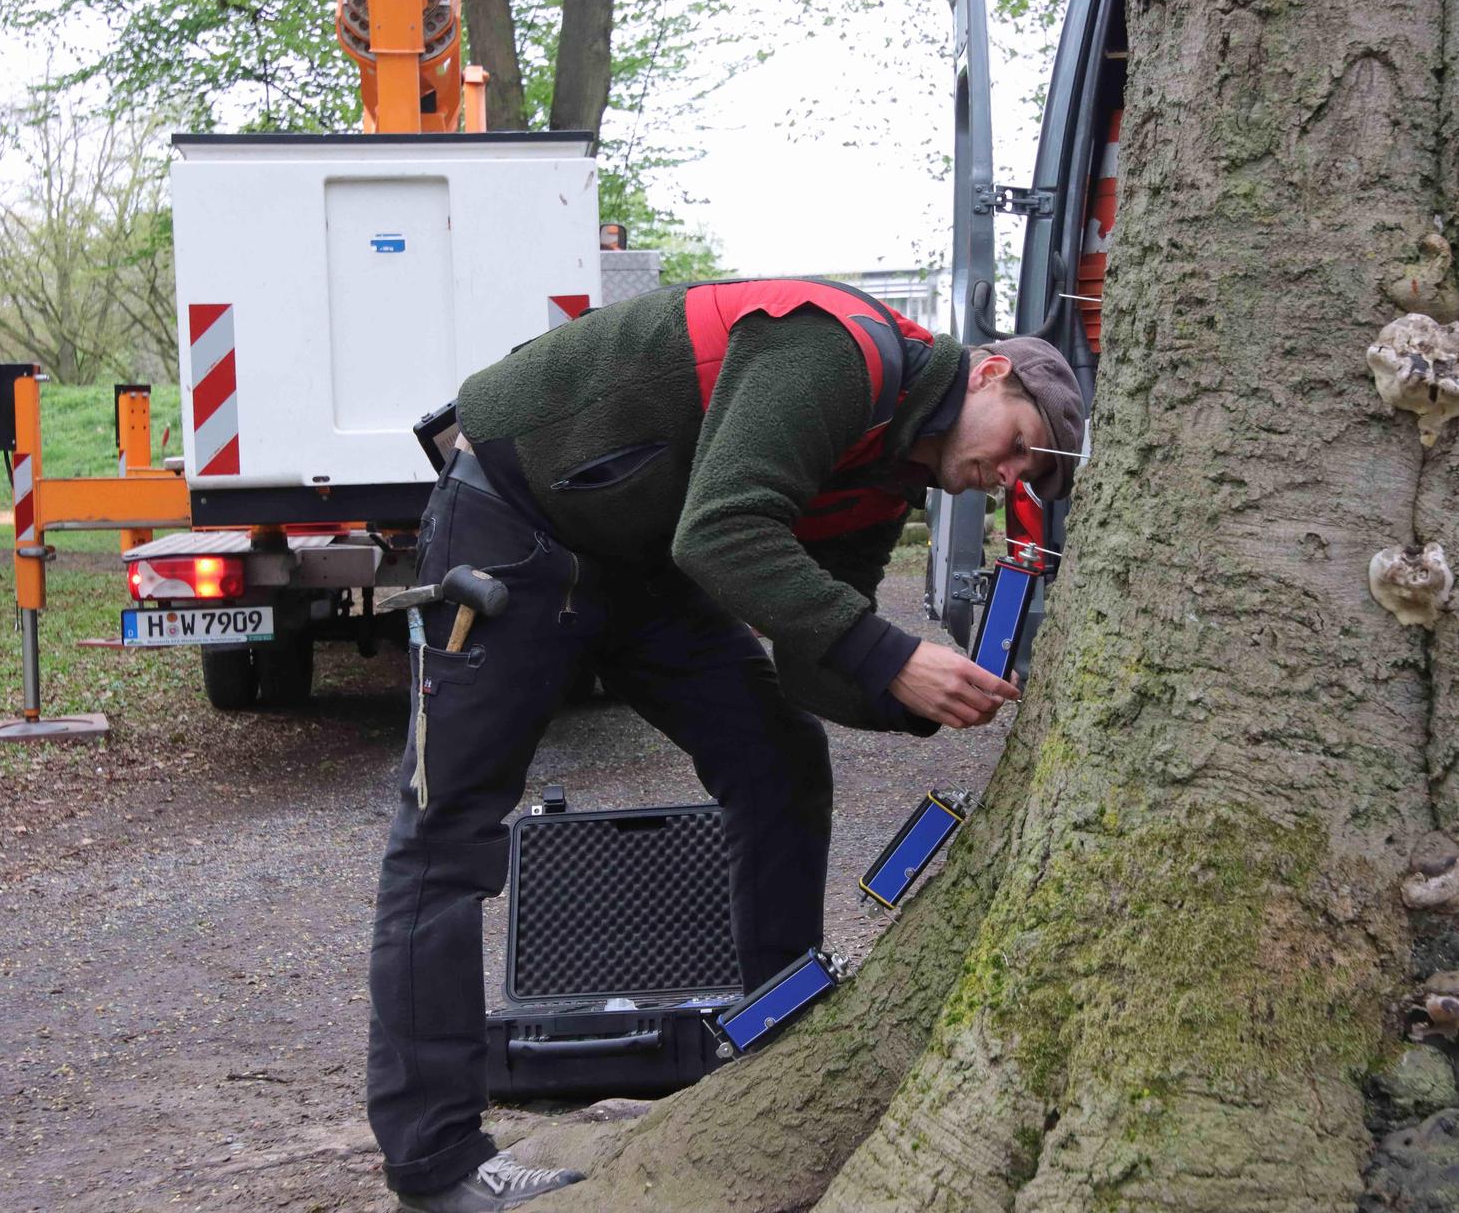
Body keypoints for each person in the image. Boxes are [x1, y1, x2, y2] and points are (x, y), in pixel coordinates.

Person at [366, 277, 1085, 1212]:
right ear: (990, 372)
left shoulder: (883, 477)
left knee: (779, 757)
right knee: (446, 836)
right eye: (1020, 447)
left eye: (1030, 480)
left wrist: (925, 700)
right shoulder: (839, 352)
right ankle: (437, 1164)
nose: (1009, 477)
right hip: (517, 519)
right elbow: (724, 532)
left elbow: (810, 657)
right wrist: (896, 655)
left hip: (646, 563)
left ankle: (773, 1057)